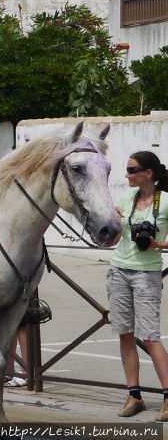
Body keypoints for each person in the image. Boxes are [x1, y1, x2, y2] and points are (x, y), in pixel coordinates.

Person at [107, 151, 168, 420]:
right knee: (125, 334)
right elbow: (116, 237)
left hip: (147, 274)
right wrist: (110, 219)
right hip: (119, 270)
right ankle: (134, 395)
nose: (127, 175)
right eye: (127, 170)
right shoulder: (125, 198)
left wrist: (158, 244)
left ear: (148, 173)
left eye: (132, 170)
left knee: (151, 337)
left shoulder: (165, 201)